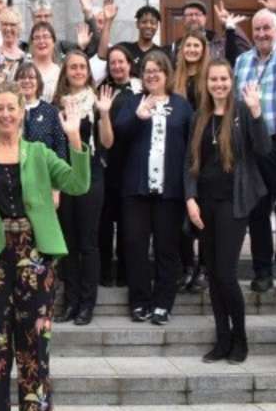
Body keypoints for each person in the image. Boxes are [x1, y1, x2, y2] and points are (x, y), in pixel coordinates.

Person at [0, 82, 91, 411]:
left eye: (11, 108)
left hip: (35, 261)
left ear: (22, 112)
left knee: (34, 348)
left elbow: (78, 183)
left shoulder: (39, 153)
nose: (5, 114)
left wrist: (74, 139)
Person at [184, 61, 270, 364]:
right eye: (213, 79)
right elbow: (189, 163)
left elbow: (263, 150)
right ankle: (222, 340)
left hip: (233, 204)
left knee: (226, 274)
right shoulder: (199, 117)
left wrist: (258, 113)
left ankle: (240, 339)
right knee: (212, 273)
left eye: (223, 79)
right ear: (206, 83)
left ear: (231, 82)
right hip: (204, 204)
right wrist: (190, 198)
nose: (218, 84)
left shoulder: (243, 112)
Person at [113, 51, 193, 325]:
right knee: (135, 246)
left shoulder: (181, 106)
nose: (152, 75)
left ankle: (163, 303)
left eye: (157, 70)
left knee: (166, 248)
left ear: (167, 74)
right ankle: (140, 302)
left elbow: (190, 148)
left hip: (169, 191)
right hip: (136, 190)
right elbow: (118, 136)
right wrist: (137, 117)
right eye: (147, 71)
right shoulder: (133, 101)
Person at [232, 0, 276, 296]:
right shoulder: (242, 62)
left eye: (267, 29)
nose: (261, 34)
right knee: (256, 210)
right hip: (250, 146)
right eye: (257, 29)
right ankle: (262, 271)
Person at [50, 51, 115, 326]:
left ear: (88, 72)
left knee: (88, 242)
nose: (77, 71)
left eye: (82, 67)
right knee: (68, 242)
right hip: (64, 176)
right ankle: (71, 301)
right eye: (72, 67)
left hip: (91, 174)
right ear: (65, 72)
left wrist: (105, 114)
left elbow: (108, 143)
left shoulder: (97, 101)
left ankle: (87, 304)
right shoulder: (56, 105)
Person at [96, 45, 142, 288]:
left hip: (131, 163)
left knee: (127, 223)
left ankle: (124, 273)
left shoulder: (139, 88)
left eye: (120, 62)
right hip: (106, 163)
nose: (116, 66)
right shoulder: (102, 89)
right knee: (104, 222)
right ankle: (105, 273)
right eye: (112, 62)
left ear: (129, 63)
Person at [173, 31, 210, 293]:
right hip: (179, 150)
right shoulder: (176, 77)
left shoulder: (209, 76)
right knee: (180, 214)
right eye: (188, 45)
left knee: (202, 212)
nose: (192, 49)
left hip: (204, 149)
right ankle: (187, 265)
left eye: (197, 45)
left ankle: (204, 268)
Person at [97, 3, 169, 76]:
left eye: (153, 23)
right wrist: (108, 20)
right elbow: (102, 54)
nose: (148, 26)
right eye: (144, 22)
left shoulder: (162, 53)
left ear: (157, 26)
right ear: (137, 24)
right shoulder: (125, 49)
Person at [169, 0, 250, 64]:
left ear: (205, 18)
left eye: (198, 14)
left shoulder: (219, 42)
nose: (193, 18)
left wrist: (230, 26)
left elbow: (245, 52)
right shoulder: (176, 47)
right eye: (189, 15)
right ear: (183, 19)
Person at [0, 8, 28, 83]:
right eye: (5, 24)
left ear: (19, 28)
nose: (8, 28)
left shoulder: (26, 59)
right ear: (0, 27)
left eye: (12, 24)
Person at [28, 22, 60, 103]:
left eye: (45, 36)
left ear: (53, 42)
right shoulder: (23, 68)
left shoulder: (59, 72)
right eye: (37, 37)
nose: (41, 41)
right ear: (31, 43)